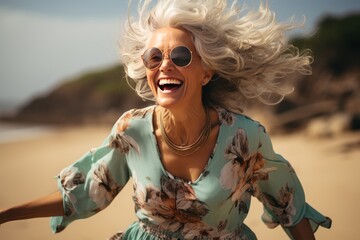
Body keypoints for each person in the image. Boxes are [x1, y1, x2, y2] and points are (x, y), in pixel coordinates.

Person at [0, 0, 332, 239]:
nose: (165, 66)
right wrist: (6, 214)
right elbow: (87, 191)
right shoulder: (132, 130)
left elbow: (286, 203)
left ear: (206, 72)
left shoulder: (244, 137)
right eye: (154, 57)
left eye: (181, 56)